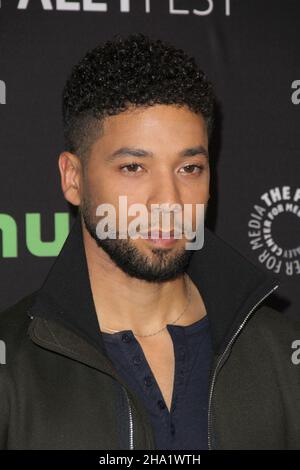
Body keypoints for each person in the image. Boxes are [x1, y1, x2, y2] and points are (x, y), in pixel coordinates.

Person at [1, 33, 300, 450]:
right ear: (73, 178)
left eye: (190, 168)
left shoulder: (280, 353)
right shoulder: (12, 367)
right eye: (133, 167)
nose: (169, 201)